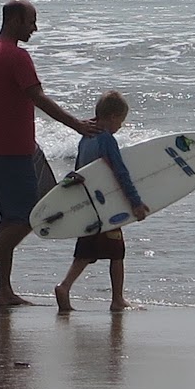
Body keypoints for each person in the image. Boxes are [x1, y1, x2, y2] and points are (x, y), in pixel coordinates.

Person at [0, 0, 99, 307]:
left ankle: (5, 292)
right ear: (14, 21)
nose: (35, 28)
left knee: (9, 219)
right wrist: (77, 125)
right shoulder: (17, 57)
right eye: (31, 21)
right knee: (27, 218)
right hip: (12, 151)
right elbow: (38, 97)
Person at [55, 90, 150, 313]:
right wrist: (135, 201)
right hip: (107, 205)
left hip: (89, 204)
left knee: (86, 251)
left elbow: (79, 171)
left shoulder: (85, 137)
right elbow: (120, 171)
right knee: (117, 253)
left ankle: (65, 286)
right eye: (121, 122)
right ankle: (117, 299)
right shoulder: (107, 139)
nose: (120, 127)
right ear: (114, 117)